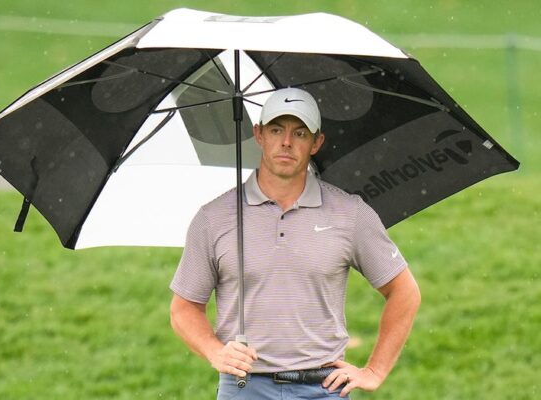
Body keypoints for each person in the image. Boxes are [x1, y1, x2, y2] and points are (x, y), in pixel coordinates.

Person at [169, 87, 421, 399]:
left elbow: (404, 292)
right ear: (259, 135)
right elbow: (183, 308)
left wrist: (375, 371)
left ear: (317, 142)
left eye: (300, 133)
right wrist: (214, 351)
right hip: (244, 387)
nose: (286, 142)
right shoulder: (214, 217)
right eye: (276, 130)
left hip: (323, 388)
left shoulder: (350, 213)